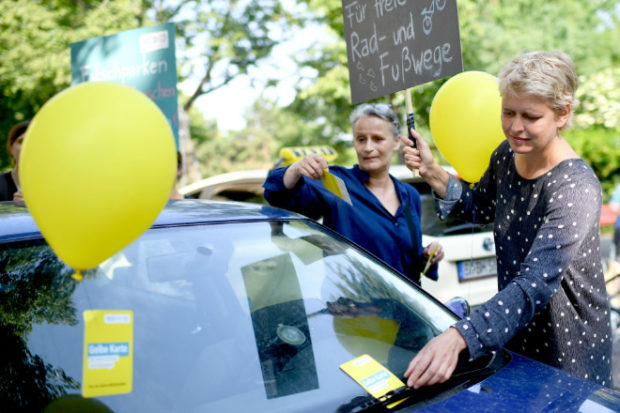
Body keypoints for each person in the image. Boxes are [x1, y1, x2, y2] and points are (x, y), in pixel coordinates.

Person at [401, 51, 613, 388]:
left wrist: (460, 336)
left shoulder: (576, 187)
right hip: (515, 338)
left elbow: (535, 283)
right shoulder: (506, 154)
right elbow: (477, 207)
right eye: (508, 112)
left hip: (572, 355)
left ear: (562, 114)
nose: (515, 127)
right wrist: (431, 170)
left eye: (530, 116)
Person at [263, 103, 444, 285]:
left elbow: (404, 256)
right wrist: (295, 170)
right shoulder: (336, 183)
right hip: (353, 301)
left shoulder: (410, 195)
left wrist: (426, 256)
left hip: (406, 301)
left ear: (397, 142)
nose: (368, 147)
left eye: (378, 139)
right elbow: (278, 197)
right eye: (361, 139)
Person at [0, 121, 29, 202]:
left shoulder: (54, 186)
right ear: (11, 147)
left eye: (33, 142)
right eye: (21, 141)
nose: (27, 146)